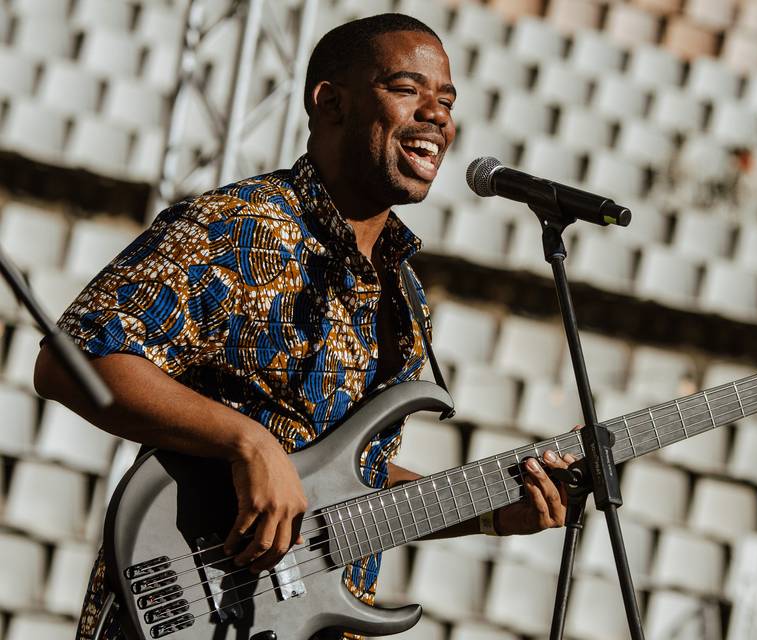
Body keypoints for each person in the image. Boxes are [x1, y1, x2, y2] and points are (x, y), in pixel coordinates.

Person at [33, 13, 575, 640]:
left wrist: (489, 512)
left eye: (447, 101)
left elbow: (346, 484)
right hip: (192, 610)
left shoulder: (404, 293)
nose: (437, 115)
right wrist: (248, 441)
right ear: (331, 102)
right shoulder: (236, 228)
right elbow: (70, 362)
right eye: (407, 89)